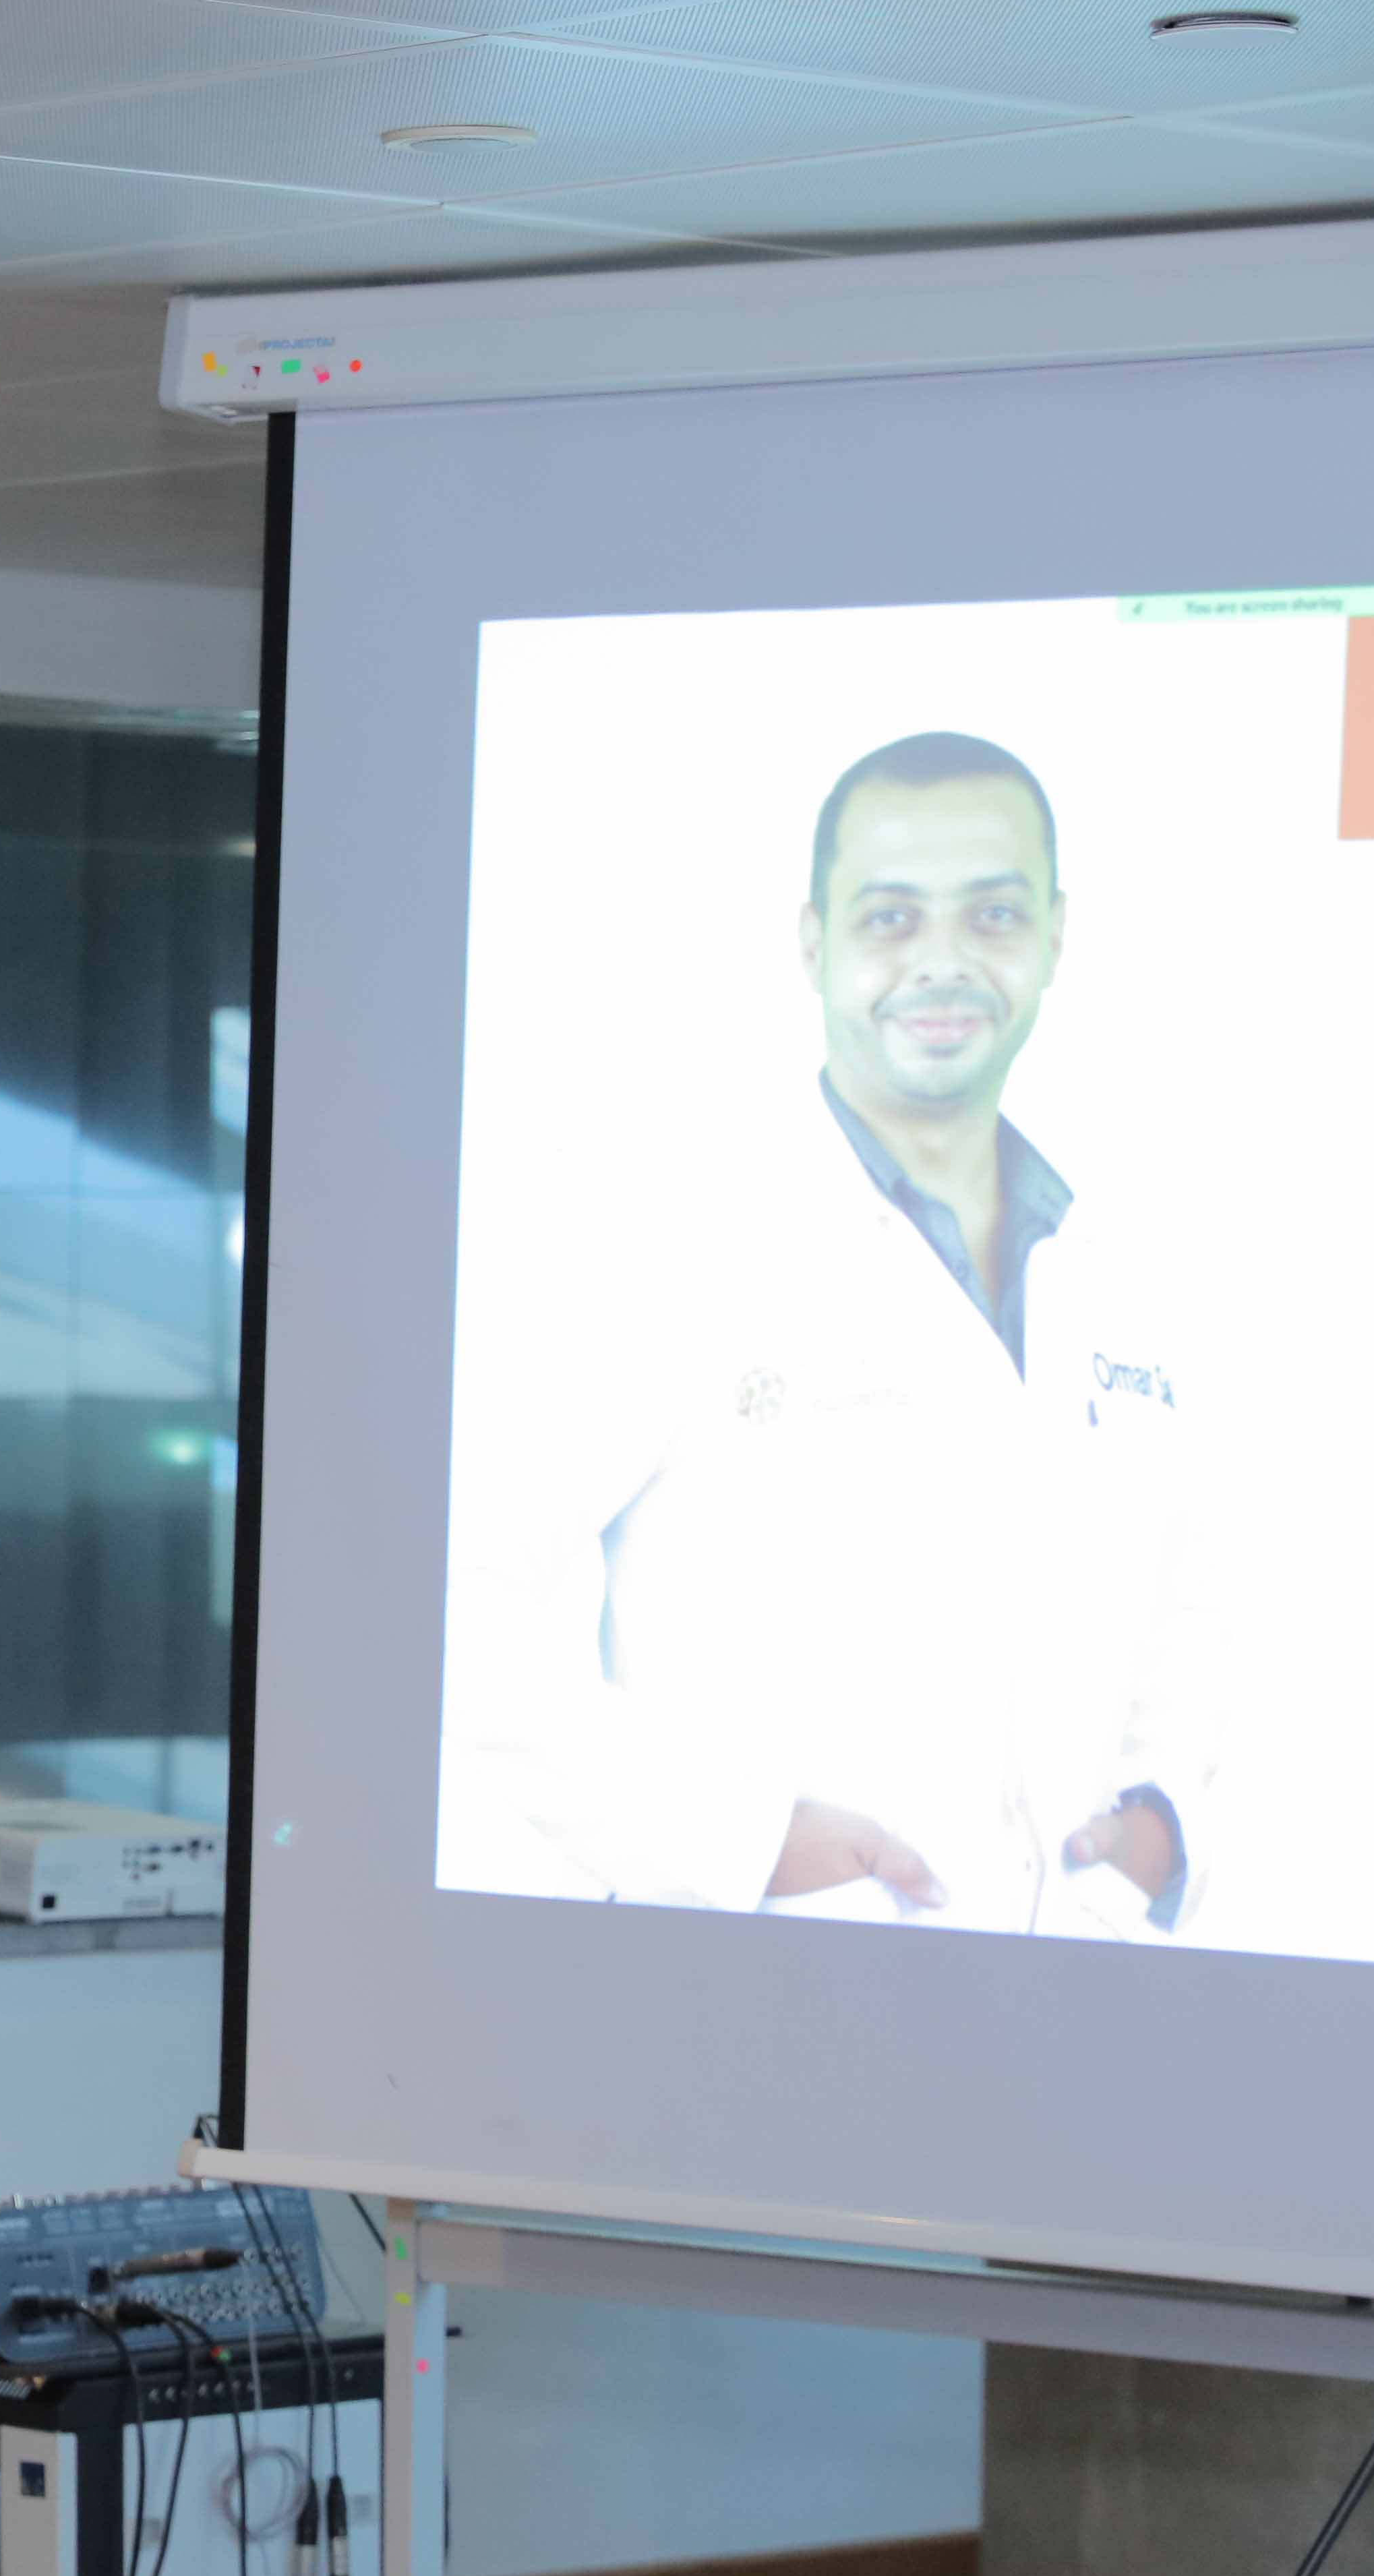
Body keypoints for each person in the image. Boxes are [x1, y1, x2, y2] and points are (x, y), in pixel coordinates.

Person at [444, 730, 1219, 1933]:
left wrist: (1166, 1824)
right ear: (813, 942)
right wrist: (736, 1841)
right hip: (761, 1986)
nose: (944, 962)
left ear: (1056, 936)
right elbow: (448, 1601)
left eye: (995, 915)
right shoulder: (664, 1237)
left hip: (1067, 1993)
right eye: (891, 918)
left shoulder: (1114, 1273)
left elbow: (1178, 1608)